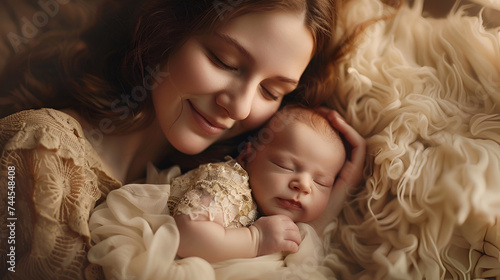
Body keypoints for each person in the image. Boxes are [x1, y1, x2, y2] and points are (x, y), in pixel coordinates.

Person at [0, 0, 369, 279]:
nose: (240, 107)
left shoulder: (219, 186)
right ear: (167, 29)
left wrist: (339, 188)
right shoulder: (41, 151)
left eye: (271, 91)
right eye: (223, 60)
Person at [170, 106, 347, 262]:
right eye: (285, 166)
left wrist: (349, 180)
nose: (304, 186)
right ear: (247, 156)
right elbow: (187, 235)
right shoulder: (228, 182)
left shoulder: (281, 218)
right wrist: (255, 239)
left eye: (320, 183)